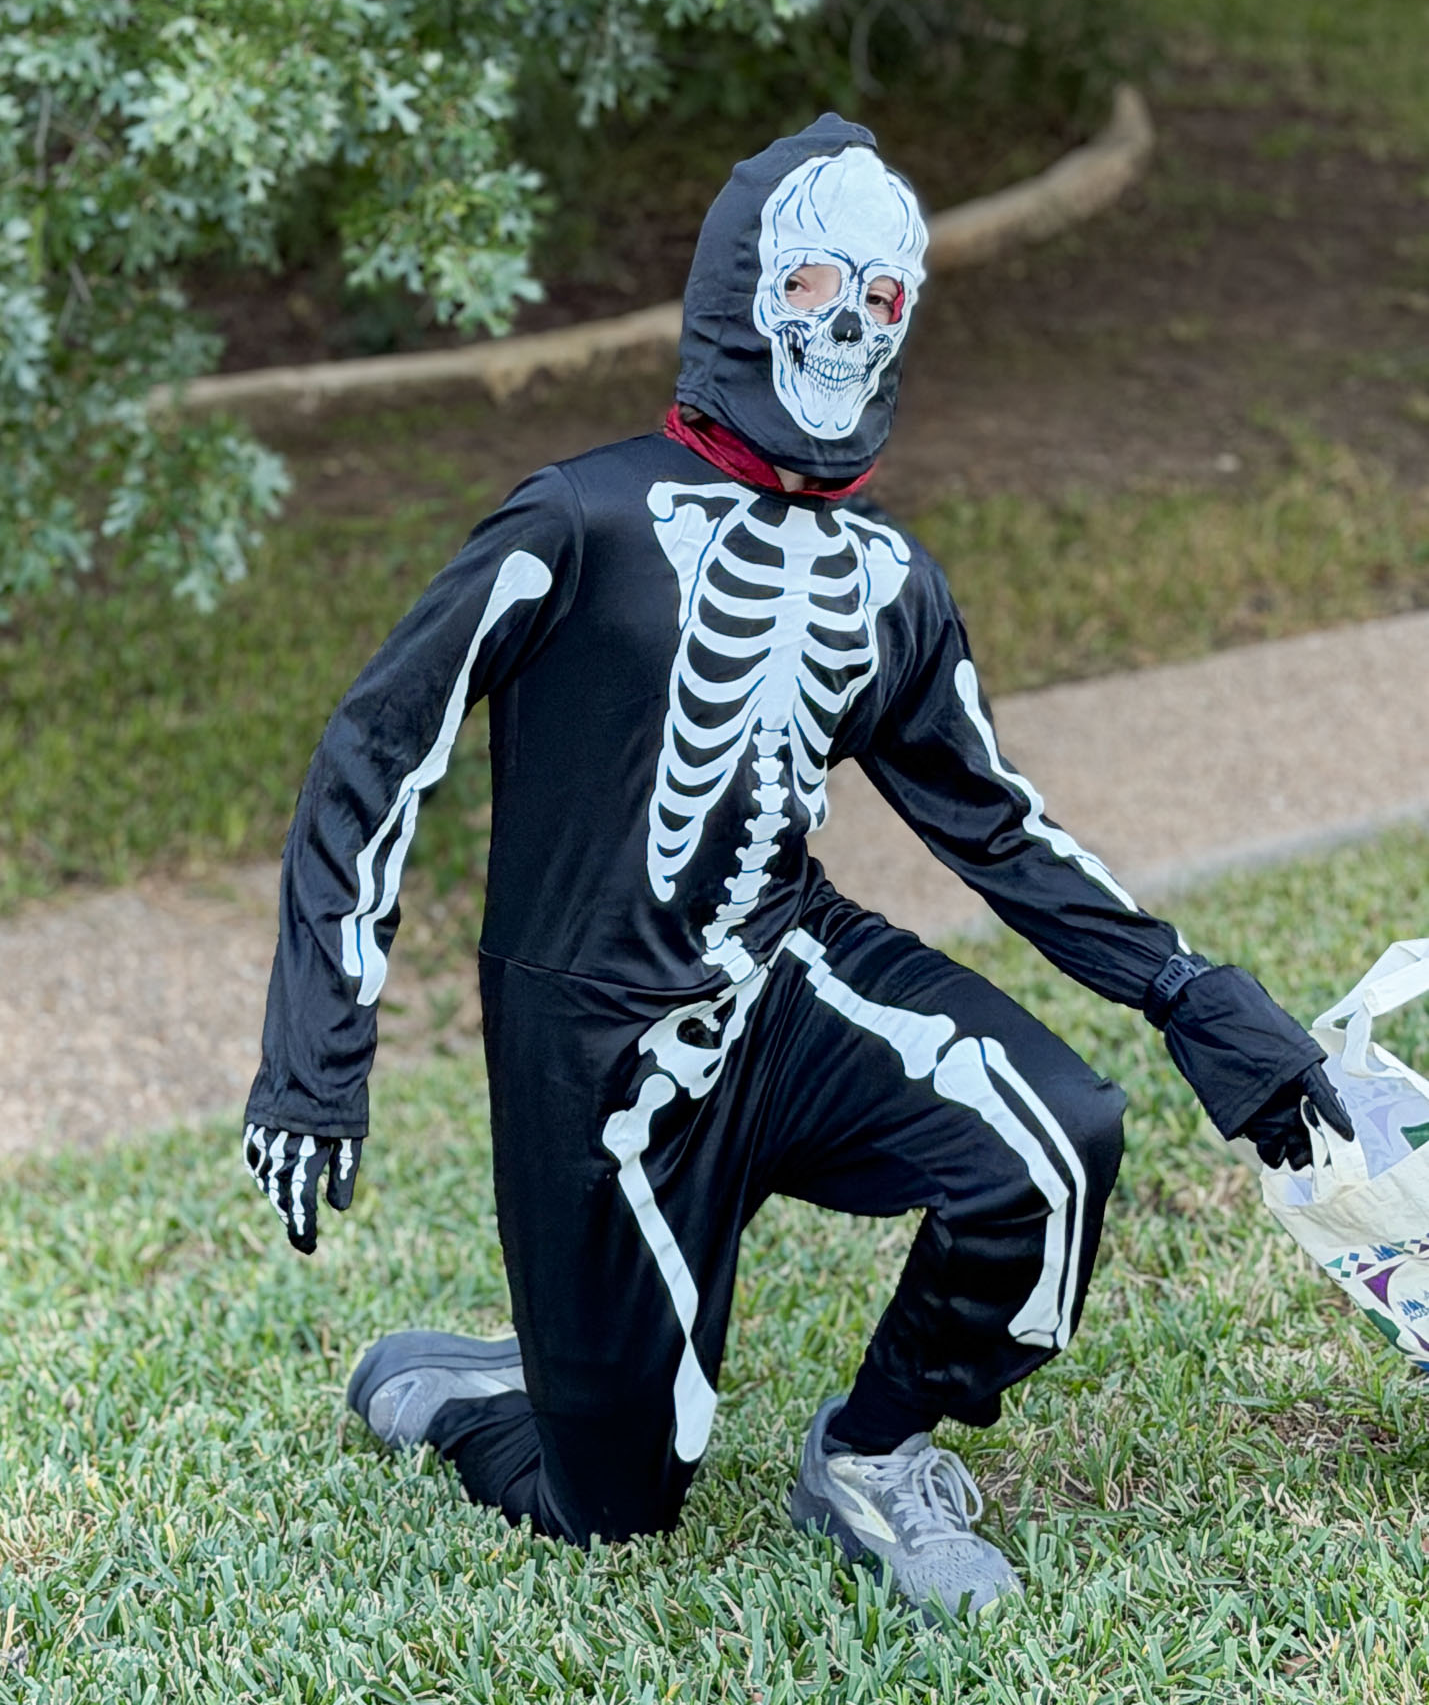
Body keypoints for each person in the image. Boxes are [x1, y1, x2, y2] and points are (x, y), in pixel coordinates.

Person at [242, 114, 1350, 1622]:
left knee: (1054, 1146)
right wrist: (314, 1062)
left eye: (882, 299)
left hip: (783, 969)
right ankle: (521, 1383)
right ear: (744, 293)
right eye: (818, 284)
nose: (847, 327)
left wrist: (1191, 995)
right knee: (615, 1507)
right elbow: (373, 753)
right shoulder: (579, 520)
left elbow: (994, 822)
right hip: (589, 1038)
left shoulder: (889, 577)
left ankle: (875, 1454)